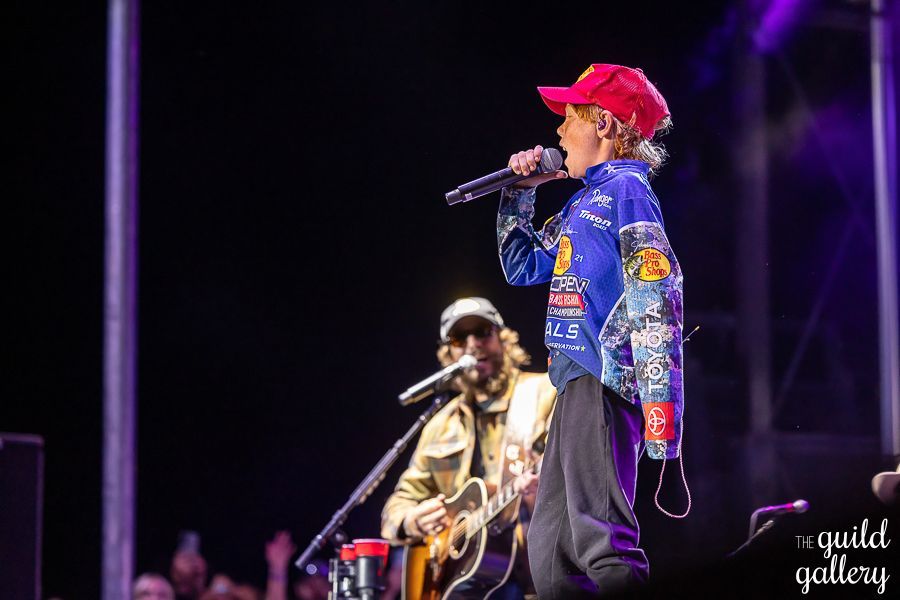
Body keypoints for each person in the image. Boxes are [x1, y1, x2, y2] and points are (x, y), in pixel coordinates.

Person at [496, 63, 684, 598]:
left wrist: (660, 412)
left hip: (602, 382)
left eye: (568, 118)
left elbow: (657, 296)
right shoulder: (584, 201)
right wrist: (519, 192)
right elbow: (521, 265)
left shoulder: (628, 192)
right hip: (574, 382)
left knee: (604, 543)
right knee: (553, 559)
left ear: (603, 124)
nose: (557, 133)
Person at [381, 297, 557, 598]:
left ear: (503, 339)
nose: (473, 344)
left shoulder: (544, 393)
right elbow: (398, 505)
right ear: (448, 353)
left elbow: (581, 464)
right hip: (461, 585)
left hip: (537, 577)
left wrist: (552, 482)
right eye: (459, 338)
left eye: (482, 332)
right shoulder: (440, 425)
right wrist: (412, 519)